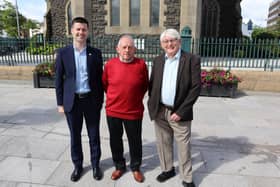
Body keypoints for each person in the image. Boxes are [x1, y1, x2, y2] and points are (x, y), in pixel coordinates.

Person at [148, 29, 201, 187]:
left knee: (183, 147)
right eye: (166, 41)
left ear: (179, 42)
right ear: (162, 44)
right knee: (163, 143)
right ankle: (167, 169)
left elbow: (195, 88)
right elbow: (152, 84)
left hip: (179, 111)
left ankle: (187, 178)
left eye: (173, 40)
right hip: (160, 110)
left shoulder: (191, 59)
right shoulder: (157, 61)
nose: (169, 44)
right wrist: (154, 105)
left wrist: (181, 111)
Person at [55, 17, 104, 182]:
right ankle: (78, 166)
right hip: (72, 102)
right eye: (78, 29)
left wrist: (100, 100)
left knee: (94, 135)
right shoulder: (63, 53)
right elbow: (58, 80)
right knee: (75, 136)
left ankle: (96, 165)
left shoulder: (95, 53)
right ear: (72, 31)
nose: (81, 32)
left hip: (91, 101)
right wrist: (60, 103)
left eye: (84, 29)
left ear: (87, 31)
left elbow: (99, 79)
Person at [102, 34, 149, 183]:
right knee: (115, 140)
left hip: (134, 111)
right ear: (118, 49)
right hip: (113, 111)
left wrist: (133, 98)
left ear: (134, 49)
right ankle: (119, 166)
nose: (127, 50)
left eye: (130, 47)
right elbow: (105, 84)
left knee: (135, 141)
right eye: (124, 47)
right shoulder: (110, 65)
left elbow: (145, 86)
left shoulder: (141, 65)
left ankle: (135, 167)